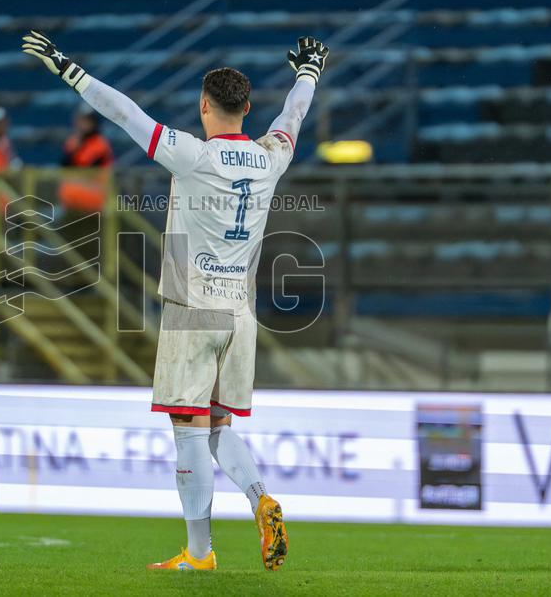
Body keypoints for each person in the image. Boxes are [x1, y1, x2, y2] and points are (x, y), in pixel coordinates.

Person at [22, 30, 328, 571]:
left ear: (205, 106)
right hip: (241, 312)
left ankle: (200, 552)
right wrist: (308, 72)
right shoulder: (270, 157)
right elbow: (295, 116)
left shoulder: (191, 154)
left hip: (193, 309)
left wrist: (70, 71)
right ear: (247, 109)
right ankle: (260, 498)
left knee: (188, 429)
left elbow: (125, 113)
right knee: (218, 425)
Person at [59, 107, 113, 213]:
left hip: (94, 197)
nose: (82, 124)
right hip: (71, 199)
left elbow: (90, 170)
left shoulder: (100, 144)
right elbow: (64, 165)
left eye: (86, 121)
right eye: (80, 120)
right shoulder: (73, 141)